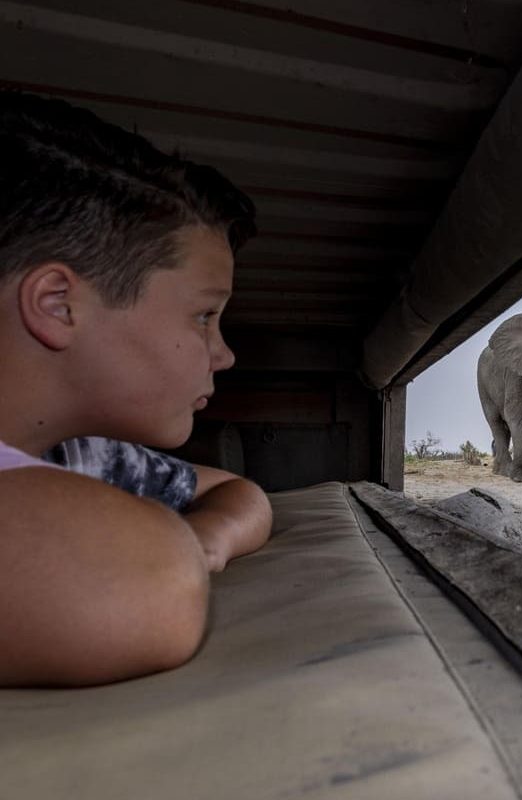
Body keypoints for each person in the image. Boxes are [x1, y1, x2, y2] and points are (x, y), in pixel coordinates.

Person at [0, 92, 272, 687]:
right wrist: (182, 550)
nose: (224, 354)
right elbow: (155, 585)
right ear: (58, 305)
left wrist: (211, 536)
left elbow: (235, 491)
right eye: (204, 316)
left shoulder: (84, 456)